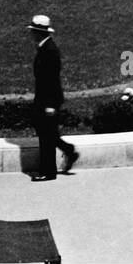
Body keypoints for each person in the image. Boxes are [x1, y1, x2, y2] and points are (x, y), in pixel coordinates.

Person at [28, 15, 78, 181]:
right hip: (46, 99)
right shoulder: (45, 47)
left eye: (33, 31)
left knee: (46, 136)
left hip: (48, 100)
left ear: (38, 32)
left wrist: (49, 105)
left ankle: (48, 172)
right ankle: (68, 150)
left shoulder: (49, 50)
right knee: (48, 133)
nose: (31, 35)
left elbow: (51, 79)